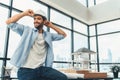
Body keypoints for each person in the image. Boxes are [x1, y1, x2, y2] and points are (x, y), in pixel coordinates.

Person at [6, 9, 67, 80]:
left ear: (44, 21)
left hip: (42, 69)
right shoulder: (27, 30)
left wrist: (51, 25)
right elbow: (9, 22)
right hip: (26, 70)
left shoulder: (48, 35)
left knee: (62, 77)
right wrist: (24, 14)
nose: (35, 20)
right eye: (34, 19)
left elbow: (63, 35)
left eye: (39, 19)